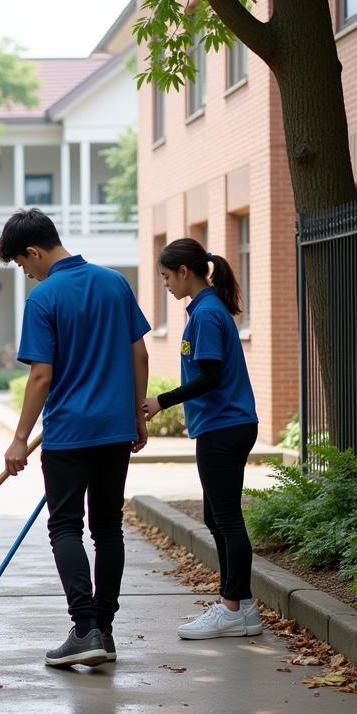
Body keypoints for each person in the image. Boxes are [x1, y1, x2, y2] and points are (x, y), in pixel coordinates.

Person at [0, 208, 150, 668]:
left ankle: (84, 629)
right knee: (107, 529)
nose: (27, 275)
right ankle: (103, 629)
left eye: (24, 267)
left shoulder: (45, 298)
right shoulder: (114, 283)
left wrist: (19, 438)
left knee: (65, 526)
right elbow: (139, 353)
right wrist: (137, 415)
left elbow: (41, 375)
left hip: (67, 433)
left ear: (34, 251)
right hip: (113, 431)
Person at [143, 238, 261, 640]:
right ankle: (240, 607)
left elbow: (208, 377)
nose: (165, 285)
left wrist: (161, 401)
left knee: (226, 517)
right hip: (224, 425)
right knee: (217, 516)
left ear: (185, 272)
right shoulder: (205, 310)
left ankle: (232, 609)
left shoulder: (208, 314)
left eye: (165, 277)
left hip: (223, 426)